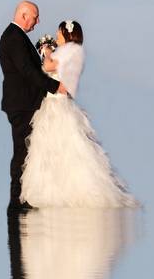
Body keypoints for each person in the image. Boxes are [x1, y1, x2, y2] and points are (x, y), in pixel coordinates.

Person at [20, 20, 139, 208]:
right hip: (55, 103)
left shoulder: (69, 50)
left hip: (57, 106)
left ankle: (66, 193)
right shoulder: (73, 51)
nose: (57, 36)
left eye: (59, 33)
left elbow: (48, 67)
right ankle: (54, 191)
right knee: (53, 150)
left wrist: (46, 50)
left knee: (63, 149)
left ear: (67, 34)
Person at [0, 1, 68, 211]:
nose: (38, 21)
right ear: (23, 14)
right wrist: (56, 86)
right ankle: (17, 200)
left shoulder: (17, 36)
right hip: (21, 104)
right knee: (22, 150)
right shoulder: (13, 37)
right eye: (35, 17)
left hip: (24, 102)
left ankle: (23, 197)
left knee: (27, 150)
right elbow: (28, 71)